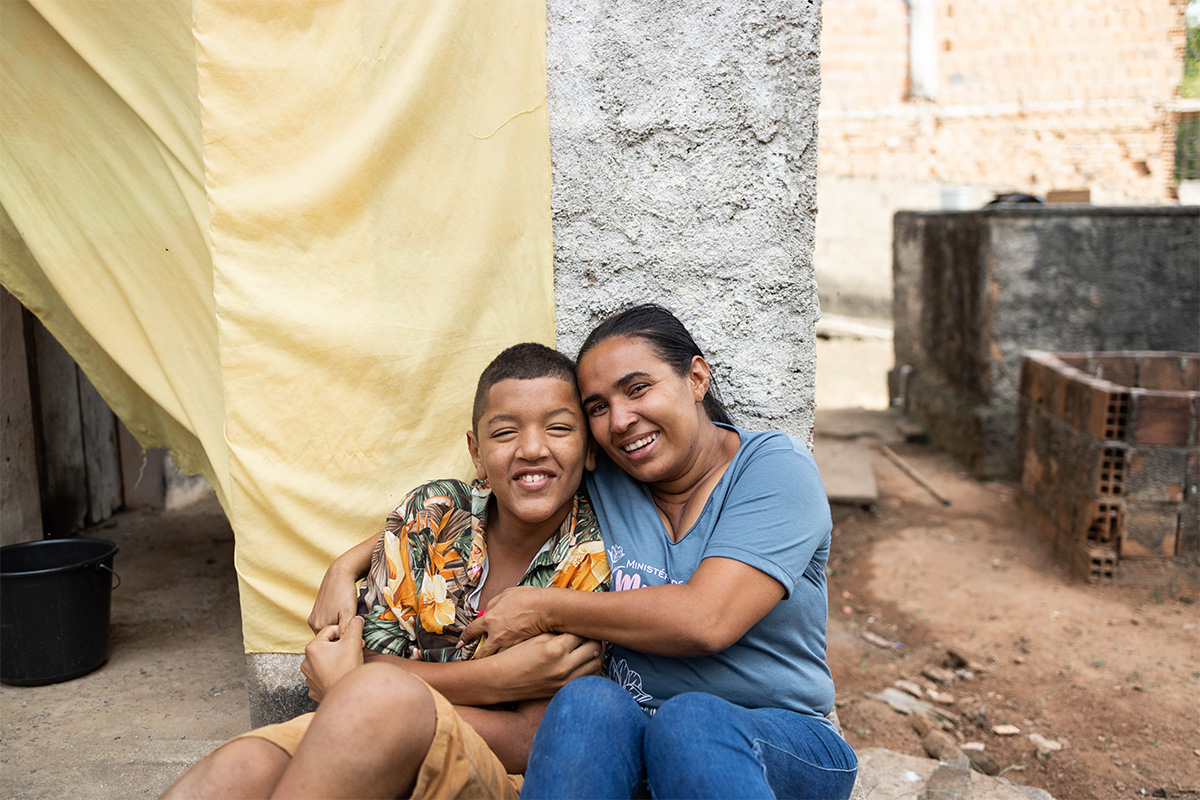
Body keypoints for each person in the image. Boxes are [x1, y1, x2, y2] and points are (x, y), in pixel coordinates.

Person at [162, 343, 609, 800]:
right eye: (504, 434)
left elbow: (529, 740)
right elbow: (361, 662)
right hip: (363, 728)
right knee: (235, 771)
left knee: (378, 699)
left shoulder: (590, 558)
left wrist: (366, 691)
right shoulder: (432, 513)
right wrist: (498, 680)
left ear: (589, 449)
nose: (532, 448)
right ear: (476, 452)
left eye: (557, 429)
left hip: (490, 772)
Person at [459, 304, 859, 799]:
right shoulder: (608, 477)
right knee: (586, 703)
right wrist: (354, 562)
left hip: (779, 741)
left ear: (696, 378)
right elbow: (503, 497)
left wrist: (542, 606)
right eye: (598, 407)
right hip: (634, 736)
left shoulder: (775, 471)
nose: (621, 420)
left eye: (638, 388)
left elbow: (706, 620)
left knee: (690, 719)